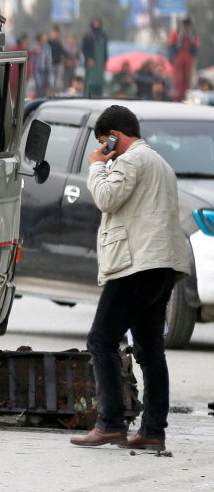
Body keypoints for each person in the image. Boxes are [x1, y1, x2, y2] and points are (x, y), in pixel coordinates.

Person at [71, 105, 190, 450]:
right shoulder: (160, 162)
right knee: (150, 350)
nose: (102, 148)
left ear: (113, 136)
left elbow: (106, 198)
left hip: (136, 264)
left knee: (101, 340)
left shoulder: (131, 160)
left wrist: (96, 164)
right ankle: (152, 431)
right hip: (160, 264)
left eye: (103, 142)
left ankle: (110, 423)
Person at [167, 17, 199, 101]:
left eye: (187, 24)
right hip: (179, 56)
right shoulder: (177, 33)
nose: (186, 26)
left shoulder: (193, 34)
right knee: (178, 78)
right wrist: (172, 57)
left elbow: (196, 46)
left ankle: (185, 97)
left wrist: (194, 57)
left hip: (188, 56)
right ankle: (178, 97)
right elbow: (171, 44)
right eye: (185, 24)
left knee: (187, 78)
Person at [81, 18, 108, 98]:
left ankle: (98, 96)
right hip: (91, 64)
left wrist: (105, 62)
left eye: (98, 23)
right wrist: (88, 58)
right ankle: (87, 96)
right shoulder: (88, 35)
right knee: (89, 82)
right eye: (95, 23)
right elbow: (84, 49)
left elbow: (105, 50)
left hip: (100, 64)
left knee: (99, 82)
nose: (96, 25)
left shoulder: (103, 36)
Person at [30, 32, 53, 98]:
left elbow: (49, 57)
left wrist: (49, 67)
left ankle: (42, 98)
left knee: (45, 85)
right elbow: (31, 57)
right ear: (40, 39)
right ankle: (39, 98)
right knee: (39, 85)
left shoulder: (47, 46)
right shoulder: (34, 46)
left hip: (46, 69)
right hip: (37, 69)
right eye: (43, 38)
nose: (45, 39)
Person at [48, 26, 65, 91]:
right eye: (55, 33)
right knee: (51, 82)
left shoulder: (59, 43)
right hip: (50, 65)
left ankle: (55, 94)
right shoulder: (48, 42)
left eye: (57, 34)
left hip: (57, 65)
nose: (56, 35)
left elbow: (62, 53)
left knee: (57, 83)